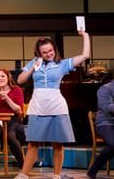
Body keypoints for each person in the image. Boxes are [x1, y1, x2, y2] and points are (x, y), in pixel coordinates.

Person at [14, 30, 90, 179]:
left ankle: (57, 175)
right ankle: (24, 174)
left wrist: (85, 35)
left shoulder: (63, 64)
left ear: (54, 49)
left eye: (50, 50)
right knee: (32, 144)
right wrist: (32, 68)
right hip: (37, 107)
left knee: (58, 144)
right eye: (44, 52)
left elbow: (85, 55)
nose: (49, 54)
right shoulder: (34, 62)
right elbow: (20, 80)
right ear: (39, 53)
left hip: (57, 107)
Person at [87, 78, 114, 179]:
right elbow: (107, 107)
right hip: (106, 123)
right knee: (113, 144)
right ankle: (94, 169)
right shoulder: (105, 89)